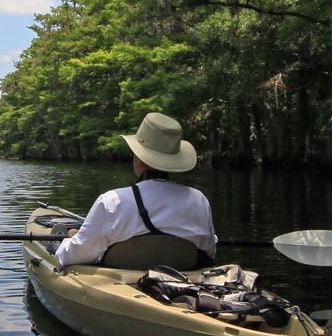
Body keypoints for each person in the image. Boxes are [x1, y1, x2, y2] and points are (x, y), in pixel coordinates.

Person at [55, 112, 216, 268]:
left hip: (117, 286)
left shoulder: (111, 201)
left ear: (139, 160)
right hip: (183, 282)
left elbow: (71, 256)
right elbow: (209, 252)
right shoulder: (198, 200)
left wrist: (69, 239)